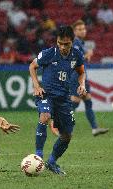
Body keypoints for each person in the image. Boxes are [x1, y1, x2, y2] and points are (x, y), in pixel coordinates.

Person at [29, 26, 87, 175]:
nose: (62, 47)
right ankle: (38, 157)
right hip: (46, 95)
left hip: (64, 99)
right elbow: (32, 66)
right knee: (45, 116)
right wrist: (36, 86)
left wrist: (82, 84)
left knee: (67, 135)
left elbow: (81, 71)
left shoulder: (77, 55)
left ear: (72, 42)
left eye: (66, 44)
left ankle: (52, 162)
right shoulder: (49, 54)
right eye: (60, 43)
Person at [70, 20, 109, 136]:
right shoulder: (75, 42)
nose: (83, 31)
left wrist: (87, 55)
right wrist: (87, 55)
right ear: (74, 31)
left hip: (83, 77)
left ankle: (95, 128)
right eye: (80, 29)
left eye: (84, 29)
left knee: (88, 101)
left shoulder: (80, 43)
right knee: (74, 104)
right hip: (76, 77)